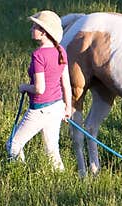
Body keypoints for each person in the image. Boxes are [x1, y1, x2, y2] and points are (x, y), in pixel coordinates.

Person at [7, 9, 73, 171]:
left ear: (43, 32)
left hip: (40, 109)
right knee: (52, 150)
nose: (31, 30)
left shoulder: (39, 55)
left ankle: (19, 174)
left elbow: (39, 88)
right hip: (57, 106)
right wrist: (68, 107)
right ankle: (60, 179)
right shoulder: (60, 50)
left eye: (34, 27)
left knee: (13, 144)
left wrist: (24, 87)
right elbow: (66, 82)